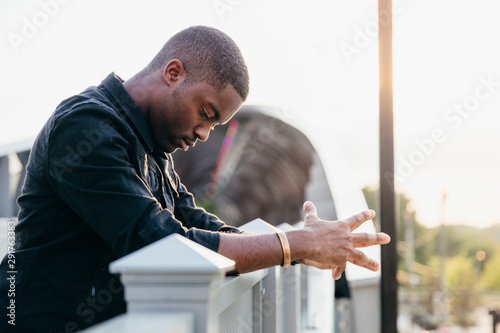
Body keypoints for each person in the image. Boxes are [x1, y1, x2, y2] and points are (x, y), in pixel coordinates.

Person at [0, 26, 390, 332]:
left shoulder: (152, 146)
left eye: (214, 124)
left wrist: (302, 244)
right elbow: (160, 242)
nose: (205, 133)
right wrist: (294, 244)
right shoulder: (86, 127)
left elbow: (196, 221)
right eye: (205, 112)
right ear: (173, 73)